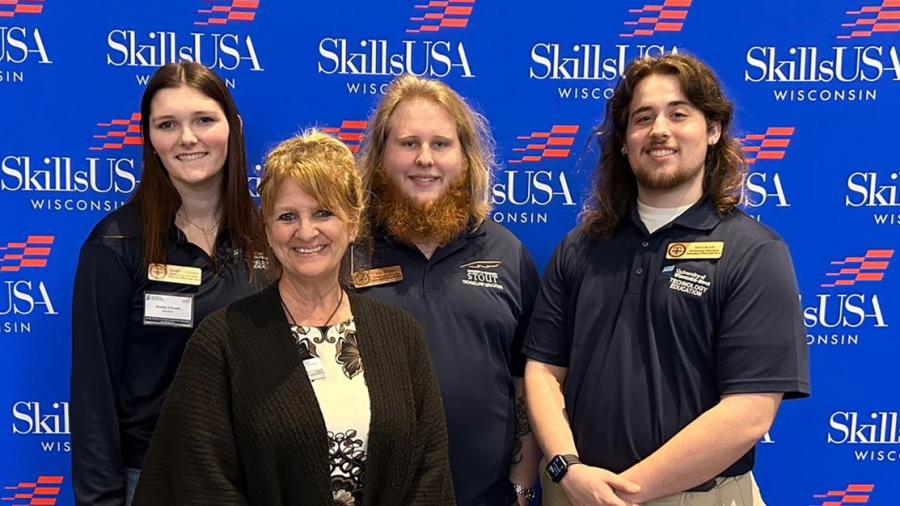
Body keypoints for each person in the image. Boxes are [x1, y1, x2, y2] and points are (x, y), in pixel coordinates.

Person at [523, 53, 810, 506]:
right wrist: (567, 467)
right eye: (642, 118)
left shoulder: (754, 253)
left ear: (713, 130)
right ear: (623, 140)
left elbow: (750, 412)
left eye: (679, 113)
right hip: (576, 492)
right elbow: (542, 370)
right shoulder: (581, 248)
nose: (659, 130)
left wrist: (622, 494)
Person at [132, 130, 454, 505]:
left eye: (323, 213)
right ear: (267, 230)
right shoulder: (222, 342)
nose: (305, 231)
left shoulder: (401, 336)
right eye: (287, 216)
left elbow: (430, 474)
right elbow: (198, 480)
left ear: (352, 223)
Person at [70, 62, 266, 506]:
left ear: (232, 128)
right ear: (150, 139)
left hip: (253, 481)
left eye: (203, 120)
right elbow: (93, 397)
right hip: (155, 481)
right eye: (167, 125)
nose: (188, 138)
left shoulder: (271, 238)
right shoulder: (117, 244)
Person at [355, 75, 541, 505]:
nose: (425, 159)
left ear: (465, 157)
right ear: (381, 157)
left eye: (441, 144)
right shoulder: (347, 250)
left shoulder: (507, 254)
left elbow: (529, 378)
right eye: (408, 144)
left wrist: (521, 482)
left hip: (484, 496)